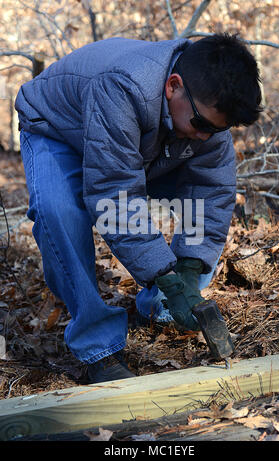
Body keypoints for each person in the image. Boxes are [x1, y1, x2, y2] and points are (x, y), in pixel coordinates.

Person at [15, 33, 262, 384]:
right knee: (59, 212)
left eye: (218, 129)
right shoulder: (123, 87)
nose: (208, 137)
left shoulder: (203, 111)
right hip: (57, 130)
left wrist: (188, 271)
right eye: (203, 126)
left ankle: (160, 303)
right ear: (173, 86)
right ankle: (97, 344)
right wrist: (164, 274)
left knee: (195, 192)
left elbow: (209, 194)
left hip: (137, 139)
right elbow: (114, 196)